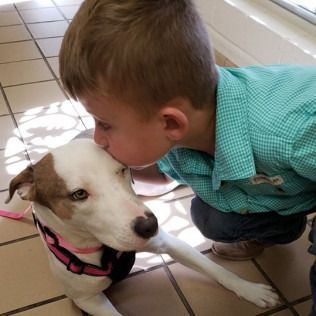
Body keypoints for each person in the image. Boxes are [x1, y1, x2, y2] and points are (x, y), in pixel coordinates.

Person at [59, 0, 316, 313]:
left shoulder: (294, 132)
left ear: (170, 123)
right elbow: (153, 173)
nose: (98, 138)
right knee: (209, 218)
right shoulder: (181, 127)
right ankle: (285, 225)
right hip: (287, 186)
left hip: (299, 155)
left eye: (105, 125)